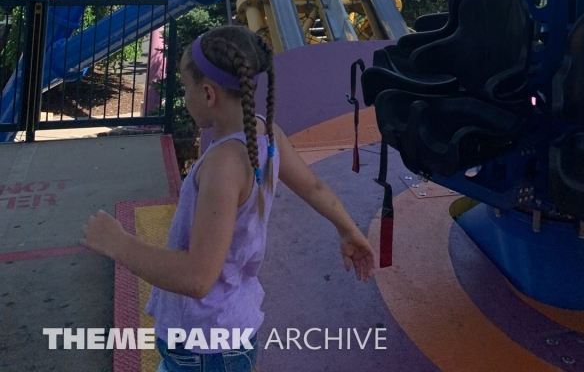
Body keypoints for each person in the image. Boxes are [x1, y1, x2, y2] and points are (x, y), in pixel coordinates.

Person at [82, 24, 375, 372]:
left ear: (208, 94)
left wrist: (118, 244)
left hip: (206, 349)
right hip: (226, 333)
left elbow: (197, 278)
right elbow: (314, 187)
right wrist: (348, 229)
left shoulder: (224, 166)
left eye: (185, 86)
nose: (185, 95)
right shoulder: (267, 134)